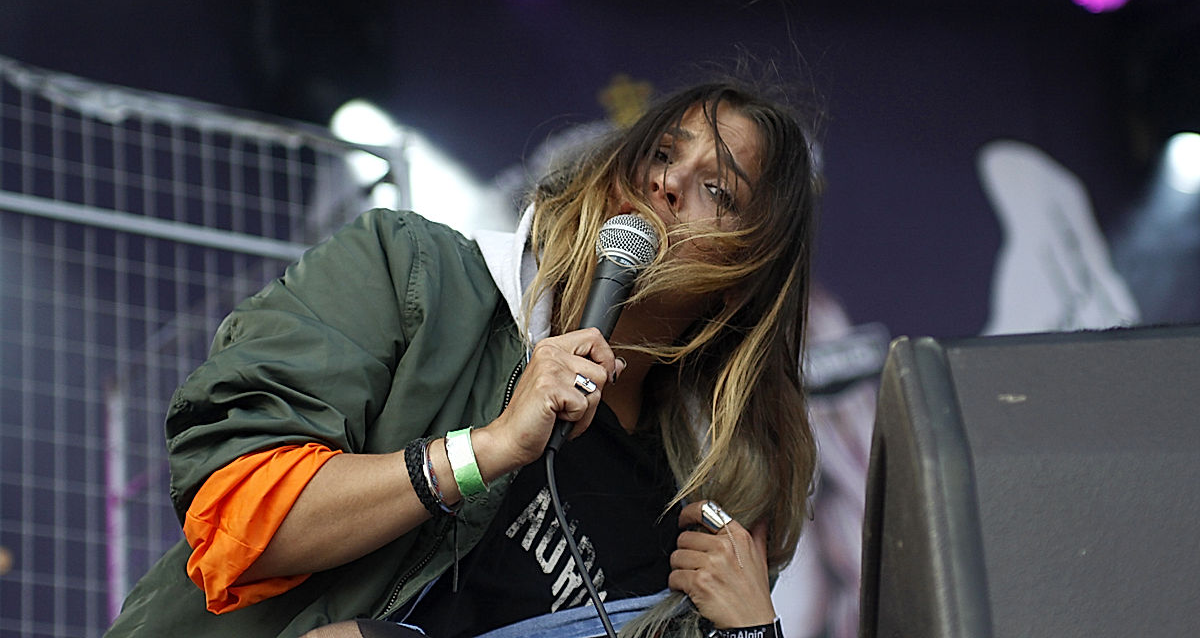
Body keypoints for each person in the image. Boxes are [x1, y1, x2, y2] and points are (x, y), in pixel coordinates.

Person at [103, 76, 821, 638]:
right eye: (661, 154)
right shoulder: (413, 273)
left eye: (716, 190)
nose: (667, 182)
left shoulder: (699, 505)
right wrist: (489, 449)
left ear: (744, 279)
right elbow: (235, 522)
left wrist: (752, 631)